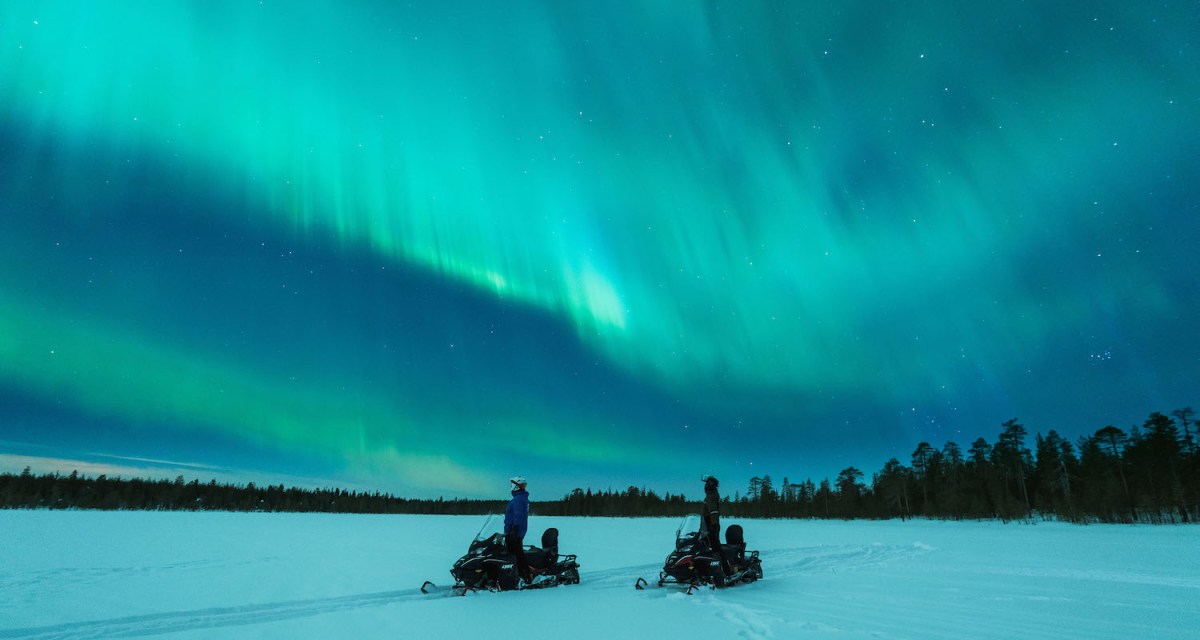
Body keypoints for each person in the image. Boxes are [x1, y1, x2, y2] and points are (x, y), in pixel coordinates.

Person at [504, 476, 532, 583]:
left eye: (523, 486)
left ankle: (524, 577)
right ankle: (518, 575)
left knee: (516, 555)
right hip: (513, 532)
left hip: (514, 533)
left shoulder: (519, 499)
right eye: (522, 485)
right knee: (514, 555)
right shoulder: (519, 498)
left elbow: (519, 516)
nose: (523, 487)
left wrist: (514, 530)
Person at [702, 474, 730, 573]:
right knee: (704, 547)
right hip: (707, 524)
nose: (705, 486)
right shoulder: (710, 495)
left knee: (715, 548)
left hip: (711, 524)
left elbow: (713, 511)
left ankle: (726, 570)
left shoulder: (712, 496)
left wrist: (713, 525)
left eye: (707, 484)